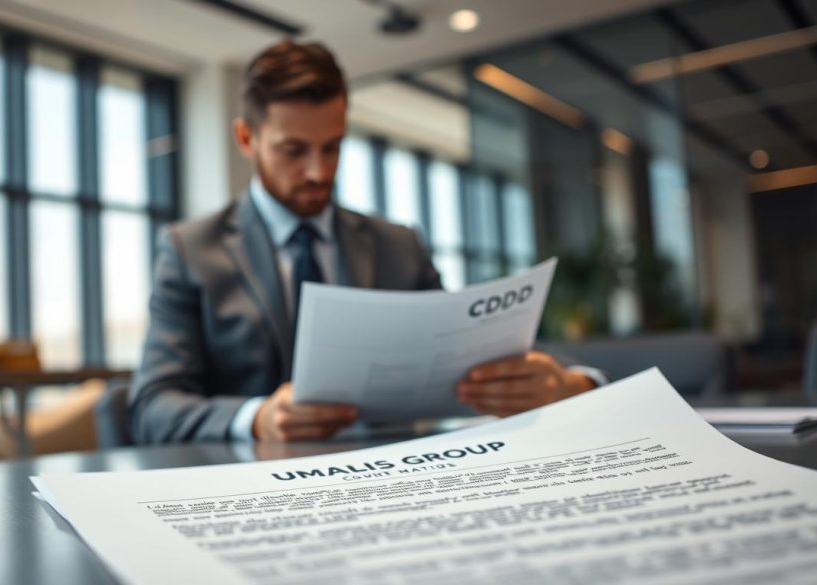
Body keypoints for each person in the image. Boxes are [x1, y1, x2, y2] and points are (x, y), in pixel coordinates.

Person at [128, 40, 602, 444]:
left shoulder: (397, 245)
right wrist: (256, 419)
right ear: (246, 138)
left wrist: (572, 383)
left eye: (332, 147)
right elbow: (153, 406)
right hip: (249, 488)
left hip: (393, 473)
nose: (319, 172)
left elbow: (468, 344)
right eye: (294, 150)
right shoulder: (191, 250)